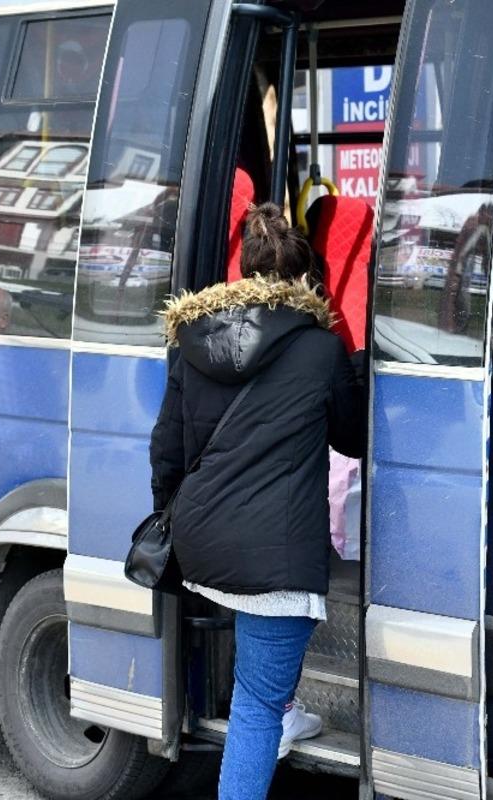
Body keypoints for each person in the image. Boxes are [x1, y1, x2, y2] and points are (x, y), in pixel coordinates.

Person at [149, 203, 366, 799]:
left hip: (205, 541)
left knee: (260, 678)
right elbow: (353, 437)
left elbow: (166, 449)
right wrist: (358, 370)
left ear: (242, 273)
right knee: (254, 705)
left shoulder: (191, 342)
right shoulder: (319, 350)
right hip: (276, 554)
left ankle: (285, 704)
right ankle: (278, 706)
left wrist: (177, 518)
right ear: (305, 283)